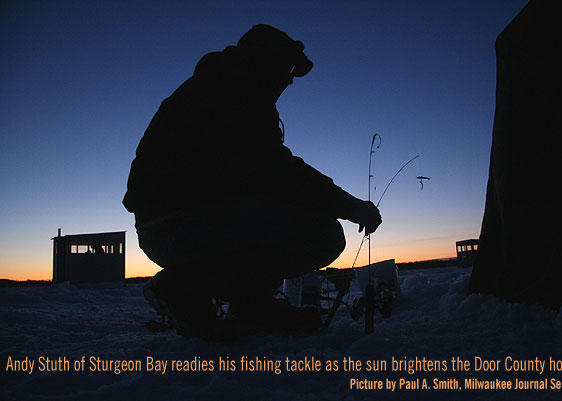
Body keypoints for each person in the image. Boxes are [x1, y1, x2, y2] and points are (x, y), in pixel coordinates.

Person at [123, 24, 382, 337]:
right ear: (264, 61)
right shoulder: (231, 93)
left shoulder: (221, 85)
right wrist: (351, 207)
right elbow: (278, 172)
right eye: (287, 69)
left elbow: (263, 174)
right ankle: (184, 288)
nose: (289, 80)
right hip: (178, 227)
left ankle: (247, 304)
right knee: (322, 233)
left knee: (276, 214)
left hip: (175, 224)